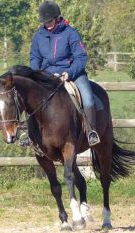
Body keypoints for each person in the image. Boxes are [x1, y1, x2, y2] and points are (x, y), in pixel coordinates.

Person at [30, 0, 100, 146]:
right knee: (30, 96)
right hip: (47, 74)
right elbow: (35, 57)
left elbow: (81, 57)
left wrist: (69, 72)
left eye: (49, 21)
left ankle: (91, 132)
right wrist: (36, 74)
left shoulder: (70, 33)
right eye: (44, 21)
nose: (47, 24)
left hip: (72, 73)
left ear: (57, 18)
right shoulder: (38, 36)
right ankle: (29, 133)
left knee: (87, 98)